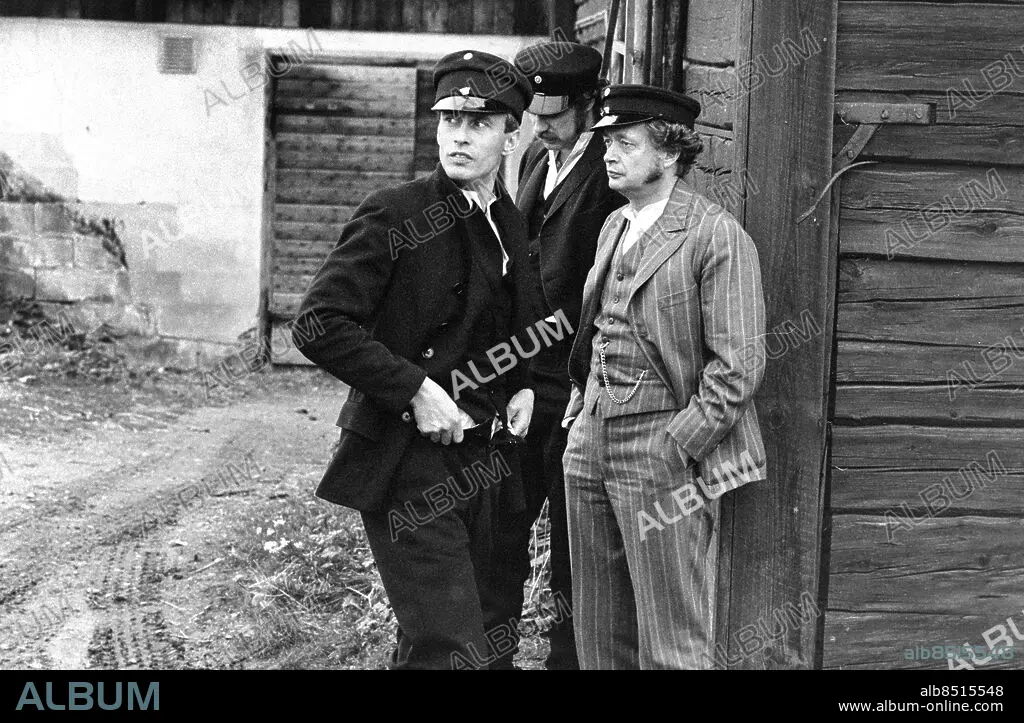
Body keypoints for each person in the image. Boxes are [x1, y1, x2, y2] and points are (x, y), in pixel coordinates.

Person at [293, 49, 539, 670]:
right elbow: (318, 323)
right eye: (450, 120)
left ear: (512, 136)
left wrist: (524, 383)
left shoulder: (509, 221)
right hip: (408, 460)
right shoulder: (396, 211)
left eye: (479, 123)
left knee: (481, 635)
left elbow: (513, 324)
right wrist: (415, 390)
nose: (460, 136)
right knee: (450, 646)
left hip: (485, 458)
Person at [561, 84, 767, 669]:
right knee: (599, 633)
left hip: (662, 446)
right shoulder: (614, 224)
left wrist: (679, 445)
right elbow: (598, 328)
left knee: (673, 639)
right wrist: (581, 410)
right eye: (606, 142)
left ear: (671, 152)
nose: (608, 155)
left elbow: (739, 366)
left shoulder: (714, 234)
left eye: (625, 143)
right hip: (590, 439)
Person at [485, 40, 624, 670]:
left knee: (574, 549)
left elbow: (604, 293)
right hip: (524, 380)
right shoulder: (538, 161)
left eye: (553, 115)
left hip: (576, 383)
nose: (538, 127)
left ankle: (566, 660)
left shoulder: (609, 174)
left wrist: (576, 372)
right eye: (531, 115)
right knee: (501, 531)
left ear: (588, 104)